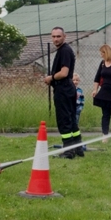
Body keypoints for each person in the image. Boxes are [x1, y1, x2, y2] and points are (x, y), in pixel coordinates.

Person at [43, 27, 84, 159]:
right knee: (71, 119)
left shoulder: (65, 51)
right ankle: (78, 147)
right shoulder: (63, 50)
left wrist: (51, 78)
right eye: (53, 36)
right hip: (68, 88)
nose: (56, 39)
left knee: (64, 120)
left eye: (58, 36)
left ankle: (68, 151)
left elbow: (64, 73)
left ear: (64, 37)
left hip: (63, 89)